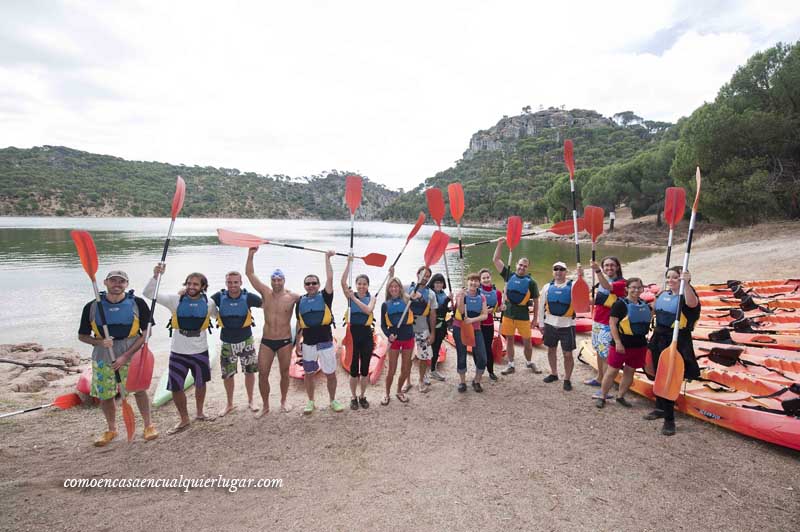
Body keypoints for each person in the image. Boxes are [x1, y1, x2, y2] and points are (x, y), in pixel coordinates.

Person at [78, 270, 158, 446]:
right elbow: (82, 336)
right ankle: (111, 429)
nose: (117, 284)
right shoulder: (92, 306)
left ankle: (148, 425)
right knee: (106, 395)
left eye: (121, 281)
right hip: (103, 356)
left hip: (132, 353)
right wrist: (98, 341)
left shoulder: (138, 303)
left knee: (139, 390)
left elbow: (146, 333)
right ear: (105, 283)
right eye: (113, 280)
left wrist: (125, 356)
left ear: (126, 284)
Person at [145, 265, 218, 434]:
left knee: (201, 383)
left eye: (196, 284)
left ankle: (200, 413)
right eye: (189, 284)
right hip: (178, 352)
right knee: (176, 387)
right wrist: (156, 275)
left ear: (203, 287)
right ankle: (184, 419)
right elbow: (149, 294)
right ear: (185, 285)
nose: (192, 287)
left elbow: (218, 316)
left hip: (200, 350)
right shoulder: (175, 300)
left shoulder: (210, 303)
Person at [645, 266, 701, 436]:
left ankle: (670, 420)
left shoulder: (687, 297)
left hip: (677, 341)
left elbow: (693, 304)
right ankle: (660, 407)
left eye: (675, 277)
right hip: (659, 338)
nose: (671, 280)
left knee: (668, 376)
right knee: (656, 373)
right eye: (669, 277)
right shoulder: (663, 295)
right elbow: (652, 310)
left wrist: (687, 283)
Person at [246, 248, 300, 416]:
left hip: (285, 341)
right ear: (271, 281)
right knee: (263, 374)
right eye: (274, 279)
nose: (276, 282)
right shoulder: (265, 292)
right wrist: (251, 253)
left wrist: (299, 340)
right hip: (267, 341)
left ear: (284, 280)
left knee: (284, 373)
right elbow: (250, 274)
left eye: (279, 280)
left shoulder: (293, 297)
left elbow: (311, 302)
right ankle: (266, 406)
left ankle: (283, 401)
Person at [295, 250, 343, 415]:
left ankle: (332, 400)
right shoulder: (300, 301)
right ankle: (310, 401)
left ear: (318, 284)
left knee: (330, 373)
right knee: (309, 373)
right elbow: (299, 323)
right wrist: (296, 343)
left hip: (325, 342)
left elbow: (330, 278)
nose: (311, 285)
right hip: (308, 344)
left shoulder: (325, 296)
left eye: (314, 283)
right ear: (304, 286)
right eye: (308, 283)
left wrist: (327, 258)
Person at [210, 271, 263, 417]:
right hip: (227, 343)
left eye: (235, 282)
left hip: (247, 341)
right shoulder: (218, 297)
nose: (232, 285)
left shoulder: (249, 297)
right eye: (229, 282)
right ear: (226, 283)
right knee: (228, 375)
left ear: (241, 283)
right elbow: (203, 304)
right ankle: (229, 404)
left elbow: (267, 304)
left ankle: (251, 400)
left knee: (250, 372)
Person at [596, 277, 651, 408]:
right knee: (611, 371)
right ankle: (602, 396)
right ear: (627, 289)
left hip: (639, 345)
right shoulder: (619, 304)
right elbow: (612, 324)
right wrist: (617, 342)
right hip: (621, 345)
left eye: (638, 287)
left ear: (642, 289)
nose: (636, 290)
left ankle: (620, 396)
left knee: (630, 371)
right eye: (633, 287)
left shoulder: (644, 305)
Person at [493, 238, 541, 374]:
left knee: (527, 342)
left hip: (523, 317)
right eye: (520, 265)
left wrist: (535, 318)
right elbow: (496, 260)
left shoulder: (532, 282)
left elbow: (536, 300)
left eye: (525, 266)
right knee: (509, 340)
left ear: (528, 268)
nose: (522, 267)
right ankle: (511, 364)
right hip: (508, 315)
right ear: (516, 265)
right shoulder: (509, 275)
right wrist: (500, 244)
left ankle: (529, 362)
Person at [538, 261, 584, 390]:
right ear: (553, 271)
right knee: (551, 349)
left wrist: (582, 276)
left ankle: (567, 379)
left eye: (561, 269)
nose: (558, 271)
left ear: (566, 272)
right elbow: (541, 307)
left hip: (568, 325)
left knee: (567, 354)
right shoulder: (547, 287)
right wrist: (541, 324)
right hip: (550, 324)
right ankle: (554, 373)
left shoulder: (574, 285)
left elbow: (583, 291)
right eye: (556, 269)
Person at [586, 257, 627, 396]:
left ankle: (605, 387)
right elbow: (595, 300)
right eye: (606, 266)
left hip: (608, 325)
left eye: (612, 265)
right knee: (598, 351)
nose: (609, 268)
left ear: (617, 267)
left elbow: (608, 288)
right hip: (597, 321)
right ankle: (599, 378)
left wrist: (597, 270)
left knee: (605, 356)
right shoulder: (602, 282)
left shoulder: (621, 283)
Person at [341, 256, 376, 410]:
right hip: (353, 335)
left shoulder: (371, 298)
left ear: (368, 286)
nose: (361, 286)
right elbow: (342, 282)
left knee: (365, 368)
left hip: (367, 335)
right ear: (356, 284)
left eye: (364, 284)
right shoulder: (349, 295)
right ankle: (353, 397)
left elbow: (368, 310)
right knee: (353, 369)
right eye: (359, 284)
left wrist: (353, 298)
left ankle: (362, 396)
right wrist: (348, 262)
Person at [402, 266, 438, 393]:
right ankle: (407, 381)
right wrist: (391, 275)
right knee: (407, 357)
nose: (425, 277)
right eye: (423, 274)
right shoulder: (406, 287)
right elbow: (392, 291)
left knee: (423, 357)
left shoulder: (431, 294)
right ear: (417, 274)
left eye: (428, 276)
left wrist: (433, 333)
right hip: (408, 327)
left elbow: (433, 314)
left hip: (423, 328)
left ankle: (421, 380)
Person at [452, 273, 489, 392]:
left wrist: (472, 320)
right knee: (461, 354)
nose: (473, 283)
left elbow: (484, 315)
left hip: (476, 328)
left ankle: (477, 380)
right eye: (471, 281)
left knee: (482, 357)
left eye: (476, 281)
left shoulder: (482, 297)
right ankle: (462, 382)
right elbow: (461, 310)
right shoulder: (461, 294)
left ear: (479, 283)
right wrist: (461, 298)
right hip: (460, 328)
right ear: (467, 282)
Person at [380, 277, 414, 404]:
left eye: (396, 286)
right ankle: (387, 393)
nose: (394, 289)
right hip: (394, 340)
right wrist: (389, 335)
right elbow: (383, 325)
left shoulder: (407, 301)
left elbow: (420, 305)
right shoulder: (385, 305)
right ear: (388, 289)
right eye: (391, 286)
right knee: (392, 370)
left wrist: (418, 297)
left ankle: (399, 391)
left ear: (400, 288)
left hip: (408, 338)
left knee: (405, 368)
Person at [478, 268, 502, 381]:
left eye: (488, 277)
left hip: (489, 325)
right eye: (484, 278)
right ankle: (479, 373)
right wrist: (483, 311)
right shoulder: (476, 292)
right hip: (477, 325)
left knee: (488, 348)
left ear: (490, 278)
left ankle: (491, 372)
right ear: (480, 280)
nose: (486, 280)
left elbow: (498, 309)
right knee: (478, 349)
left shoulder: (497, 293)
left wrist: (502, 307)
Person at [427, 273, 450, 382]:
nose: (439, 284)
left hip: (441, 325)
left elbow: (444, 310)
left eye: (441, 282)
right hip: (432, 325)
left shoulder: (443, 294)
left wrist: (450, 307)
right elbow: (437, 310)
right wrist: (447, 301)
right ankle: (428, 371)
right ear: (433, 283)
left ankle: (433, 370)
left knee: (436, 348)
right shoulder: (431, 294)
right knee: (431, 348)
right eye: (436, 282)